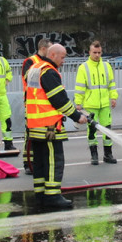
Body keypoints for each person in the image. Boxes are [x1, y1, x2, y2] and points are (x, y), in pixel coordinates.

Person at [25, 43, 89, 209]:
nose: (64, 61)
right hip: (49, 128)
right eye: (63, 57)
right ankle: (52, 196)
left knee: (39, 162)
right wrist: (77, 116)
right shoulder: (49, 71)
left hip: (35, 125)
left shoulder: (35, 69)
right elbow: (59, 100)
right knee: (54, 161)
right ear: (53, 55)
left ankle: (41, 195)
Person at [74, 40, 119, 165]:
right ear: (89, 52)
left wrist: (113, 97)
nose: (97, 55)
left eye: (99, 52)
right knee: (92, 131)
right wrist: (78, 103)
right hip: (90, 105)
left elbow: (111, 84)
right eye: (94, 52)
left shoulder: (106, 66)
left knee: (107, 129)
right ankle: (94, 155)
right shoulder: (84, 68)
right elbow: (80, 87)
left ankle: (108, 154)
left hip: (104, 104)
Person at [21, 37, 52, 174]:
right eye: (50, 49)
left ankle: (40, 162)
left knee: (43, 136)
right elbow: (31, 79)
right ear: (43, 49)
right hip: (32, 104)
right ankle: (28, 162)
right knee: (30, 135)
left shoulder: (48, 62)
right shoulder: (30, 61)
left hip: (45, 105)